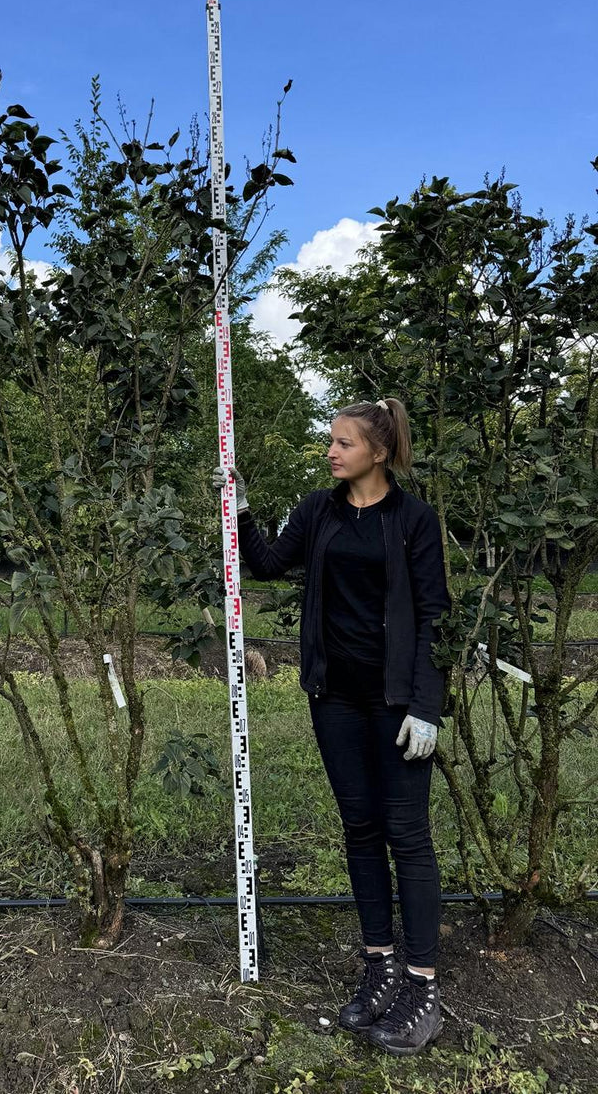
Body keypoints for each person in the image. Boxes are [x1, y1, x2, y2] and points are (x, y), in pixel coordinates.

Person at [213, 397, 450, 1057]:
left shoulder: (413, 520)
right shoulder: (319, 510)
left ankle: (422, 986)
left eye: (343, 442)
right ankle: (378, 966)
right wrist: (240, 509)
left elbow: (434, 615)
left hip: (398, 701)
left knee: (407, 832)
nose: (331, 451)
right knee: (361, 828)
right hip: (335, 699)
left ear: (378, 451)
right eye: (331, 441)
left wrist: (427, 705)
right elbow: (266, 562)